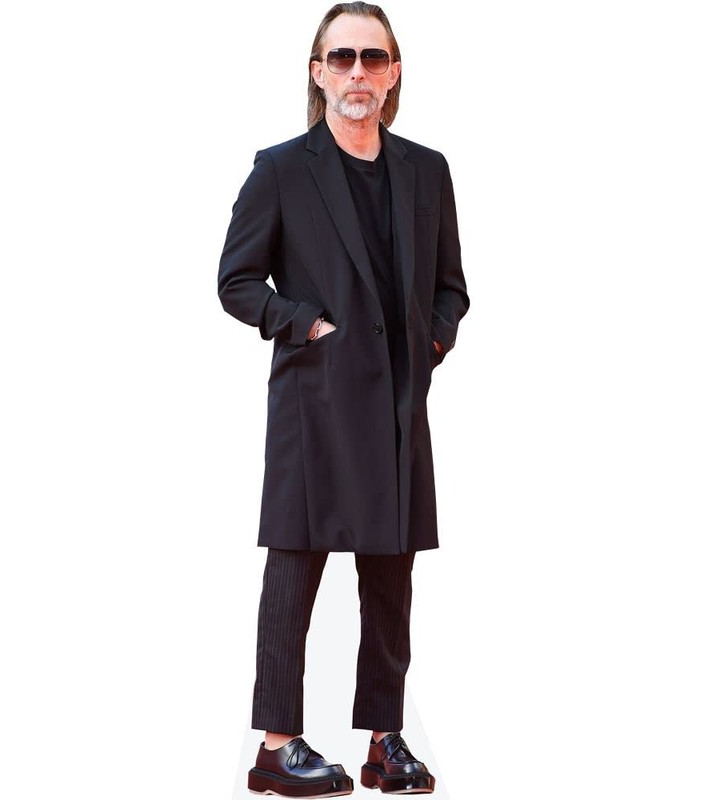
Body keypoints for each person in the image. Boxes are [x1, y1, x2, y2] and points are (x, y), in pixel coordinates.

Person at [218, 2, 469, 795]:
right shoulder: (281, 171)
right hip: (315, 403)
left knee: (391, 580)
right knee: (293, 573)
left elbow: (452, 287)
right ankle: (276, 747)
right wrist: (306, 326)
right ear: (318, 72)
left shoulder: (426, 171)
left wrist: (432, 340)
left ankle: (384, 742)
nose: (357, 71)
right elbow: (235, 281)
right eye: (342, 57)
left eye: (373, 57)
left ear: (393, 74)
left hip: (398, 407)